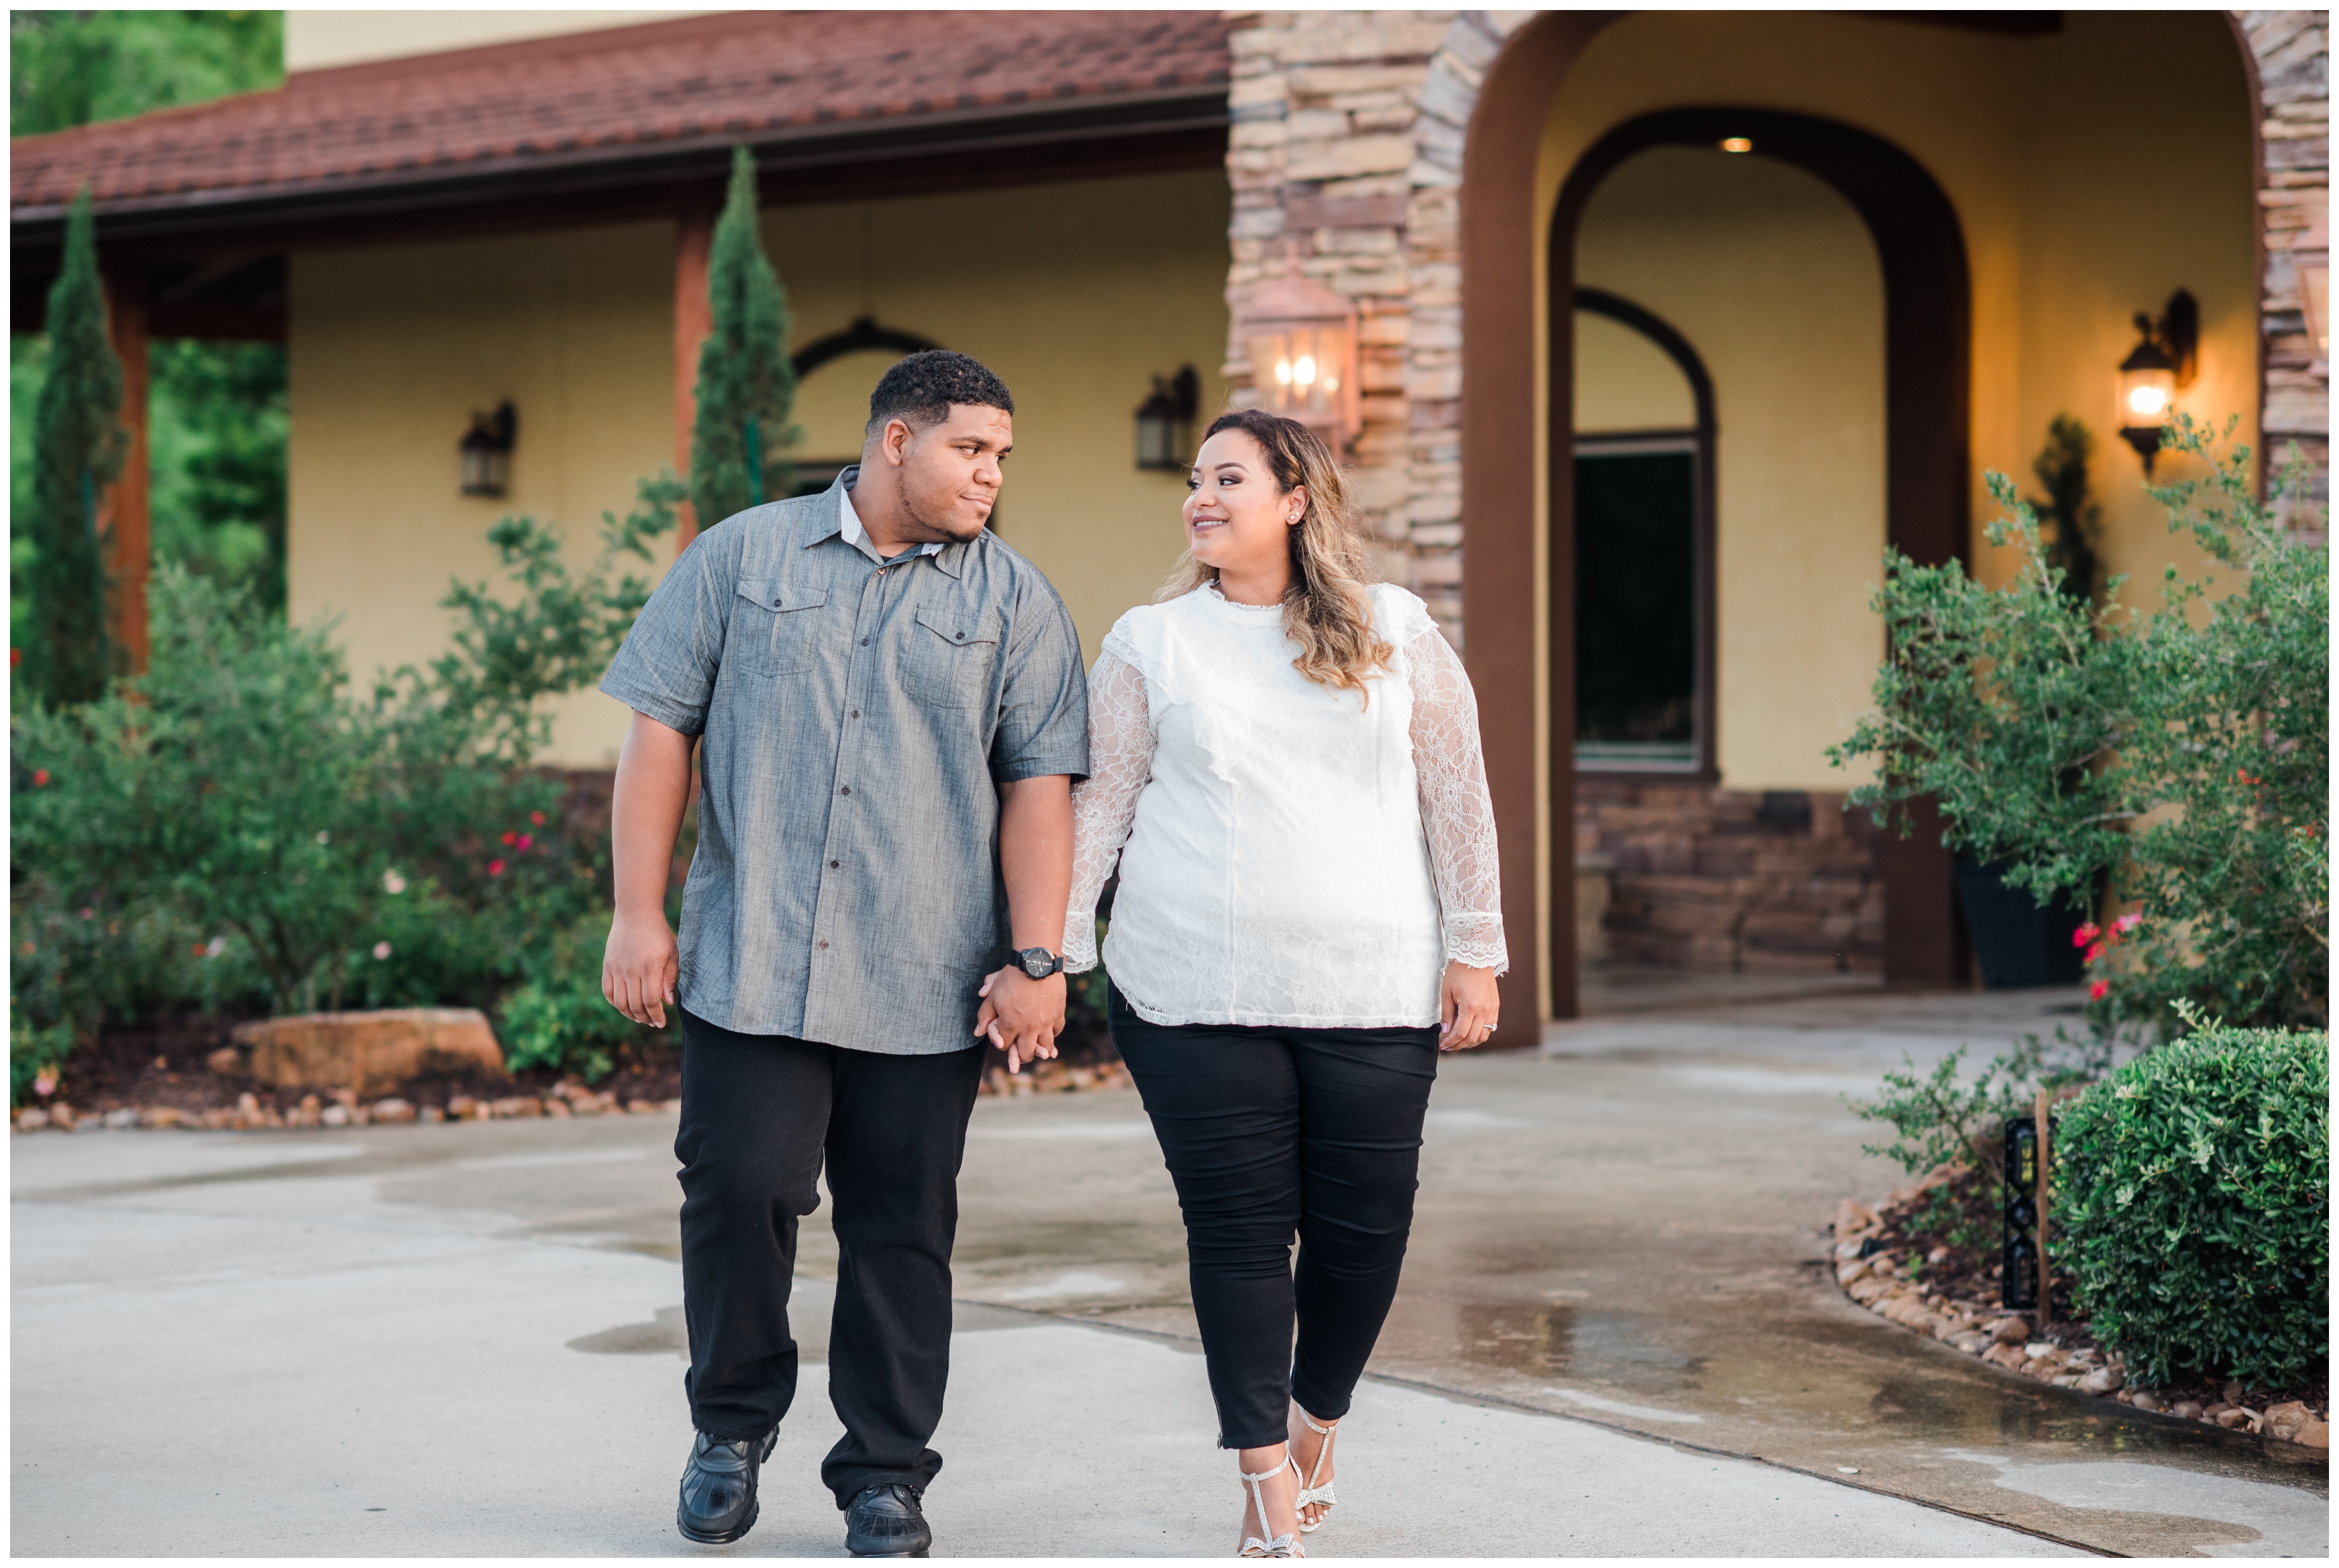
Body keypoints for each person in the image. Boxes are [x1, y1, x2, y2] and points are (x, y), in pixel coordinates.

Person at [597, 350, 1087, 1556]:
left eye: (1002, 458)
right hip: (752, 961)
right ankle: (731, 1426)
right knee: (738, 1197)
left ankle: (883, 1475)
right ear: (894, 443)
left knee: (902, 1226)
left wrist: (1040, 956)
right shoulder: (739, 557)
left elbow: (1039, 789)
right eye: (972, 450)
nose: (991, 476)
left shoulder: (1016, 601)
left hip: (926, 978)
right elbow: (659, 734)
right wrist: (637, 912)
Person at [1058, 408, 1506, 1558]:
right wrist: (1055, 955)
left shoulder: (1394, 628)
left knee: (1365, 1239)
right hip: (1194, 991)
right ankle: (1262, 1476)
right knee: (1241, 1234)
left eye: (1229, 479)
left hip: (1372, 987)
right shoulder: (1151, 643)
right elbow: (1100, 808)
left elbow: (1456, 791)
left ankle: (1317, 1421)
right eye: (1197, 480)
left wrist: (1477, 947)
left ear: (1296, 499)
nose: (1201, 497)